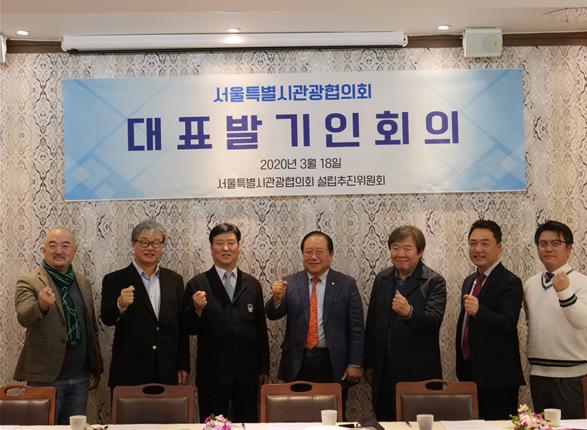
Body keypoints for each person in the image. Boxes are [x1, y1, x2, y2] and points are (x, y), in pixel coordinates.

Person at [265, 231, 364, 415]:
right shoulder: (290, 282)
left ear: (331, 254)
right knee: (296, 415)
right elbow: (272, 314)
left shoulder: (346, 284)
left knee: (333, 415)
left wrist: (355, 363)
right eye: (308, 252)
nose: (313, 257)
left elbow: (356, 328)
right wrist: (276, 299)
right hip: (298, 361)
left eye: (319, 252)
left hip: (332, 362)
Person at [14, 228, 103, 425]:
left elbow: (91, 327)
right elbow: (23, 316)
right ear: (43, 250)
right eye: (52, 245)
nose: (59, 251)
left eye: (65, 245)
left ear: (74, 250)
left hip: (80, 378)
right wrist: (41, 306)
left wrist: (96, 367)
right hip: (44, 378)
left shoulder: (83, 282)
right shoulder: (29, 281)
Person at [183, 223, 269, 422]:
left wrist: (264, 367)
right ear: (211, 248)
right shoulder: (197, 284)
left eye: (231, 242)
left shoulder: (252, 284)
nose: (225, 248)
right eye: (219, 243)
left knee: (248, 425)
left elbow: (260, 330)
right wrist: (197, 309)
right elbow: (188, 328)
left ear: (238, 246)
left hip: (247, 374)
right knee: (213, 425)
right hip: (212, 376)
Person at [364, 225, 446, 421]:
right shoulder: (382, 279)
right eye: (395, 248)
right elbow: (372, 324)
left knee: (416, 423)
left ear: (420, 252)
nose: (400, 254)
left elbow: (433, 321)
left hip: (418, 371)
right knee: (386, 421)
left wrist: (409, 312)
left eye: (407, 248)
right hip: (384, 370)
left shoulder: (433, 281)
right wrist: (369, 364)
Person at [101, 221, 189, 390]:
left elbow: (181, 325)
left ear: (162, 247)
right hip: (130, 371)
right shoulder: (115, 279)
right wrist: (120, 305)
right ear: (133, 244)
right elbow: (106, 318)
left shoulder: (174, 280)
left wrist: (183, 364)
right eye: (144, 242)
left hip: (167, 370)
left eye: (156, 243)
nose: (150, 248)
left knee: (168, 409)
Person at [455, 219, 524, 420]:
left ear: (499, 247)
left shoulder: (510, 282)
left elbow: (507, 323)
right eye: (473, 243)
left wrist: (479, 311)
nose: (478, 249)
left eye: (485, 243)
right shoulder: (470, 281)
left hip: (497, 378)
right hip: (468, 372)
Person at [525, 220, 587, 418]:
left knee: (572, 426)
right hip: (538, 374)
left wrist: (564, 291)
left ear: (569, 248)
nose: (548, 248)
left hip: (571, 376)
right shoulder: (530, 284)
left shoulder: (582, 282)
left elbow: (581, 321)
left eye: (555, 243)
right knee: (542, 426)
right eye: (543, 244)